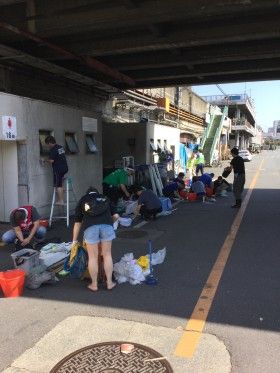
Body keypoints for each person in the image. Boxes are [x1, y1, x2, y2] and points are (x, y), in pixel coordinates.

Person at [72, 187, 117, 292]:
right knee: (107, 255)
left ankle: (94, 284)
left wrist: (74, 240)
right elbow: (116, 215)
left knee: (92, 257)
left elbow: (78, 223)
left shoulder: (83, 199)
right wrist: (110, 222)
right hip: (107, 226)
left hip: (90, 227)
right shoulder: (105, 198)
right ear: (97, 193)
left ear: (88, 193)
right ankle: (109, 283)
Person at [44, 136, 68, 205]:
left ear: (50, 143)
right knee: (60, 181)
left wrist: (44, 160)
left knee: (58, 185)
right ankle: (62, 191)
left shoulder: (53, 149)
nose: (47, 146)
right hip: (64, 167)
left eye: (47, 144)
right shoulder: (60, 147)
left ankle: (61, 200)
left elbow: (51, 160)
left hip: (58, 169)